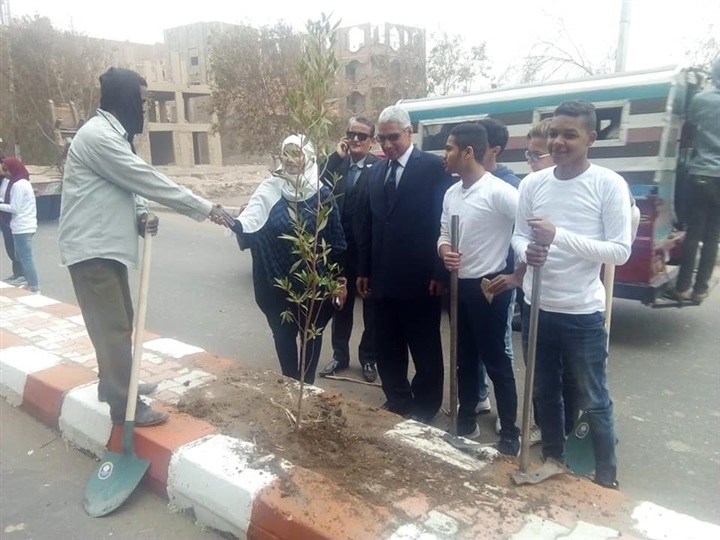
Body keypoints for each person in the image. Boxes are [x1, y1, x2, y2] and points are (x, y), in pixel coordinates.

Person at [59, 67, 228, 427]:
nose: (146, 108)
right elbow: (144, 178)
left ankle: (114, 384)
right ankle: (126, 406)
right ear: (124, 99)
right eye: (142, 101)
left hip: (104, 247)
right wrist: (205, 207)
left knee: (118, 323)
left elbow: (127, 185)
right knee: (113, 329)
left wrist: (139, 215)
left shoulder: (114, 136)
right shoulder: (99, 137)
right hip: (91, 250)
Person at [512, 100, 632, 489]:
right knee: (544, 390)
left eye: (570, 134)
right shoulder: (532, 184)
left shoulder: (608, 184)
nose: (558, 142)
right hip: (536, 307)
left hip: (581, 312)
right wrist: (525, 252)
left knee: (593, 396)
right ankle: (554, 458)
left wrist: (557, 236)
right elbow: (518, 235)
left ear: (590, 138)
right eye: (554, 133)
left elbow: (619, 251)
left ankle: (606, 476)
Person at [357, 105, 452, 423]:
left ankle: (426, 404)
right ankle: (397, 397)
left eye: (393, 137)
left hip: (421, 278)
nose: (387, 145)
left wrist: (440, 271)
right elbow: (369, 224)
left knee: (424, 346)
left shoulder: (434, 168)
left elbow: (443, 222)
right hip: (382, 277)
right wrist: (364, 269)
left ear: (410, 133)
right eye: (382, 139)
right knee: (387, 343)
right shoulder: (375, 172)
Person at [227, 135, 347, 385]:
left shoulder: (322, 196)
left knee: (311, 336)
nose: (291, 159)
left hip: (313, 288)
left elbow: (336, 243)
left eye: (297, 153)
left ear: (309, 157)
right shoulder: (269, 191)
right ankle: (291, 387)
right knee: (283, 338)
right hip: (276, 286)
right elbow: (250, 230)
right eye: (287, 153)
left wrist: (339, 280)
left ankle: (306, 388)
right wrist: (237, 222)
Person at [438, 123, 521, 455]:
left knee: (496, 360)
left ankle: (510, 432)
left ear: (468, 152)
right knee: (464, 358)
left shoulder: (499, 191)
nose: (444, 155)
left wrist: (517, 275)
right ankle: (467, 419)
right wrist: (445, 251)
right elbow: (444, 233)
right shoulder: (452, 193)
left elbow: (531, 230)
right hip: (459, 286)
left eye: (449, 148)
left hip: (490, 288)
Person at [318, 117, 380, 383]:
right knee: (340, 305)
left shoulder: (379, 168)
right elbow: (313, 182)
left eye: (362, 136)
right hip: (339, 253)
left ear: (371, 140)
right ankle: (340, 356)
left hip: (368, 254)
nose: (355, 139)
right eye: (351, 134)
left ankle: (368, 358)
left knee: (371, 311)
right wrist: (335, 157)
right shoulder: (336, 166)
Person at [474, 117, 522, 417]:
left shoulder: (510, 185)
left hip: (499, 277)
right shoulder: (467, 181)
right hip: (472, 276)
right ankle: (479, 396)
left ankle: (508, 416)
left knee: (500, 345)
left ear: (495, 149)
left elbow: (527, 233)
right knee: (472, 344)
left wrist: (516, 274)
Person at [673, 59, 720, 304]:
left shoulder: (703, 99)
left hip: (702, 172)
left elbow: (686, 121)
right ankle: (700, 290)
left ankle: (682, 288)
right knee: (713, 235)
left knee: (694, 232)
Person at [0, 158, 39, 293]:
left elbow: (14, 207)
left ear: (13, 169)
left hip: (22, 226)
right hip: (22, 224)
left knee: (26, 258)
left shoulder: (18, 185)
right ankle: (29, 282)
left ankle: (34, 286)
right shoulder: (21, 182)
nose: (5, 173)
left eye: (7, 170)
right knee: (20, 256)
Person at [0, 155, 25, 284]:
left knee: (17, 248)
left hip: (14, 219)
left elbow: (15, 205)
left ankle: (23, 274)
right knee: (9, 246)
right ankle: (16, 273)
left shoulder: (17, 182)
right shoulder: (4, 179)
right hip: (4, 217)